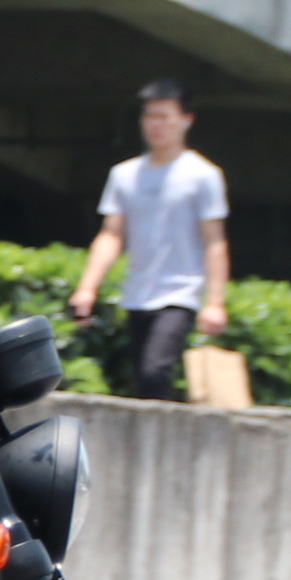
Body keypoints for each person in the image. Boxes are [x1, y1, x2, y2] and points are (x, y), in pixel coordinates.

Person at [66, 78, 232, 401]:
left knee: (156, 369)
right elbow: (111, 234)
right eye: (149, 116)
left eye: (164, 116)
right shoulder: (124, 175)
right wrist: (87, 288)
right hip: (137, 294)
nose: (155, 125)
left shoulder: (203, 175)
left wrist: (215, 302)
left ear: (186, 119)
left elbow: (215, 241)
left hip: (180, 294)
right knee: (143, 378)